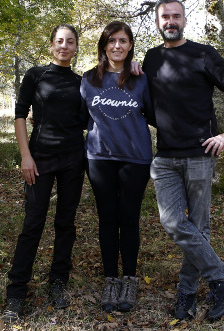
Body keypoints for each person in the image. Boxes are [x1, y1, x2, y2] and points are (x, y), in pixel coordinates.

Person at [142, 0, 224, 322]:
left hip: (201, 155)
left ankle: (186, 295)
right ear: (158, 22)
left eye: (175, 16)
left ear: (184, 20)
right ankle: (222, 280)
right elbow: (141, 102)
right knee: (174, 222)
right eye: (165, 17)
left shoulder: (203, 54)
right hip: (166, 158)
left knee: (198, 228)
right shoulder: (151, 58)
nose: (170, 21)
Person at [2, 24, 85, 323]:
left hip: (74, 159)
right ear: (51, 45)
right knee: (33, 222)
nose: (64, 46)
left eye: (70, 41)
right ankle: (16, 293)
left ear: (76, 47)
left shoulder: (82, 81)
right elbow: (20, 113)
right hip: (40, 158)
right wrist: (26, 156)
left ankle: (58, 283)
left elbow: (90, 117)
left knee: (66, 222)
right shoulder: (35, 75)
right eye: (59, 41)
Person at [80, 21, 153, 313]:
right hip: (99, 158)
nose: (117, 46)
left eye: (123, 41)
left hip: (135, 158)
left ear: (131, 45)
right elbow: (79, 117)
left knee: (129, 218)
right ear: (104, 45)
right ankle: (111, 278)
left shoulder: (141, 79)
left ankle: (129, 278)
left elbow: (157, 112)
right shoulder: (88, 79)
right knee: (107, 218)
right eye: (112, 41)